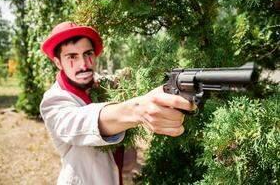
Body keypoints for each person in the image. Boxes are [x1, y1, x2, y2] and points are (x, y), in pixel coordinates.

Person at [40, 21, 195, 185]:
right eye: (72, 57)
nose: (84, 64)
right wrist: (137, 110)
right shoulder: (53, 100)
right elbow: (82, 121)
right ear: (58, 63)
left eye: (88, 54)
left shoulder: (104, 84)